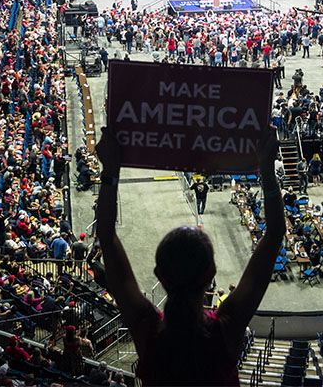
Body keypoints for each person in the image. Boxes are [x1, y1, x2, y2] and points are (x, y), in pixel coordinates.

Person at [95, 128, 285, 386]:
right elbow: (274, 235)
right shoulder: (226, 328)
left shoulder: (146, 329)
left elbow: (105, 236)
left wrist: (110, 170)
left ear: (159, 275)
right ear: (212, 273)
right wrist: (268, 169)